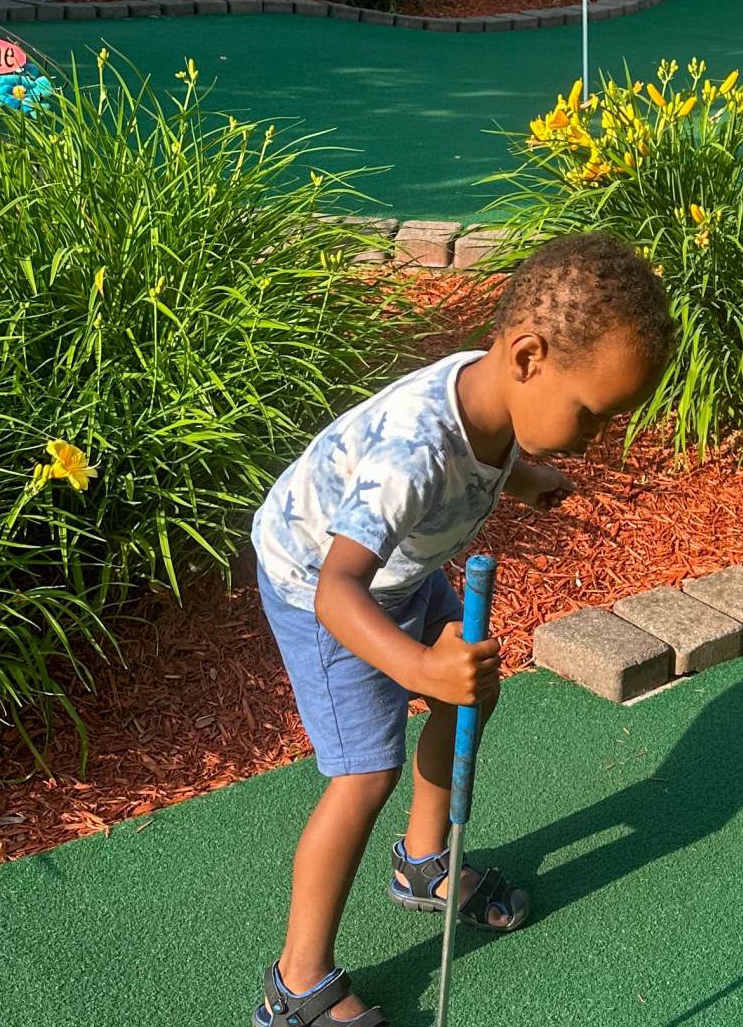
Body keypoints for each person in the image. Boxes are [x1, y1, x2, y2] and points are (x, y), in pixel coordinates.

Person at [251, 232, 675, 1027]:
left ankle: (423, 864)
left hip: (402, 571)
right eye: (591, 413)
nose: (595, 434)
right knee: (363, 774)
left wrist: (528, 477)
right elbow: (340, 591)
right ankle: (295, 984)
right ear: (528, 356)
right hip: (318, 581)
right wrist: (417, 666)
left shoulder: (500, 391)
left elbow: (493, 444)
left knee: (472, 694)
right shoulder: (412, 454)